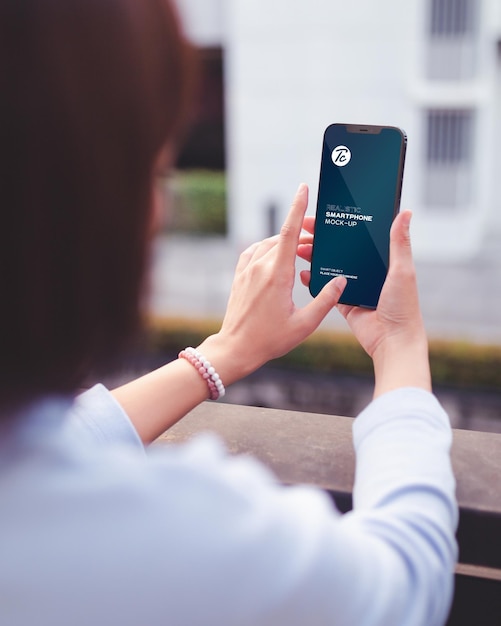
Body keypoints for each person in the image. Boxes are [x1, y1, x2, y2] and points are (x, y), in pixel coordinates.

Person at [0, 1, 457, 625]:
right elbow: (406, 585)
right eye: (152, 176)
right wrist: (399, 350)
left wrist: (221, 355)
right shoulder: (185, 534)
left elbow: (46, 444)